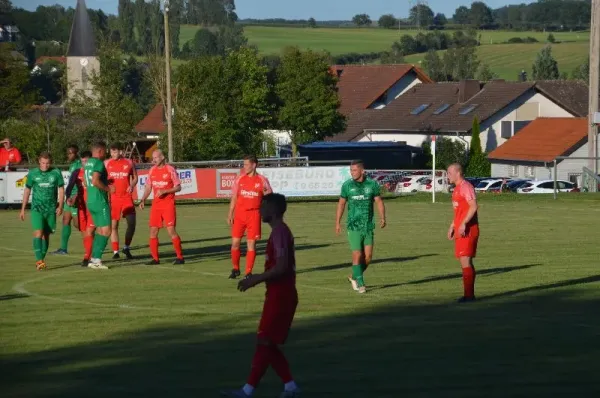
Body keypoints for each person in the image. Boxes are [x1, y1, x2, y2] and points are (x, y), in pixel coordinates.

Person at [221, 193, 301, 398]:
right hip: (277, 293)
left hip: (282, 295)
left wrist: (255, 279)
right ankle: (289, 386)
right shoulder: (278, 232)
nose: (260, 210)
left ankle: (248, 390)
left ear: (273, 210)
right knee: (267, 342)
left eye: (263, 207)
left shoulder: (280, 233)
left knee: (264, 340)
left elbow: (282, 267)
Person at [336, 160, 386, 294]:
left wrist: (382, 217)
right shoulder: (347, 186)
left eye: (354, 170)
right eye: (351, 170)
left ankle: (353, 276)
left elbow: (379, 201)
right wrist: (337, 222)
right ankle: (361, 282)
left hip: (368, 226)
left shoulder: (372, 184)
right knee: (357, 254)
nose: (352, 173)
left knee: (368, 257)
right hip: (353, 226)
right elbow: (341, 204)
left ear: (362, 171)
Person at [227, 155, 272, 279]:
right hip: (240, 214)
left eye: (246, 164)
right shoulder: (240, 179)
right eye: (244, 164)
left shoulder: (262, 180)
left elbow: (269, 198)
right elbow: (234, 197)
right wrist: (230, 213)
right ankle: (235, 268)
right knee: (235, 243)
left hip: (254, 215)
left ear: (254, 165)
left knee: (251, 244)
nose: (244, 167)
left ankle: (248, 272)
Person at [19, 152, 64, 270]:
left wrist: (60, 205)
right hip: (37, 208)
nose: (45, 165)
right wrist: (23, 209)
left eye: (47, 163)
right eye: (43, 163)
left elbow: (61, 189)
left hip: (50, 210)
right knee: (38, 233)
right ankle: (39, 260)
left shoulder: (56, 173)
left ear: (51, 162)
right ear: (39, 161)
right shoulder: (33, 173)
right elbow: (27, 190)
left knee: (46, 235)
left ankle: (41, 259)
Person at [139, 149, 184, 265]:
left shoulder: (170, 170)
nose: (154, 160)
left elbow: (178, 187)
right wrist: (143, 199)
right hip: (156, 206)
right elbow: (148, 186)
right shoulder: (152, 170)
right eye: (153, 158)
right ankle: (155, 259)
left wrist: (165, 191)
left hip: (168, 205)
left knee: (171, 231)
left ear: (162, 157)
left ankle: (180, 257)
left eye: (156, 158)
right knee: (153, 231)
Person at [447, 163, 479, 303]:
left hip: (468, 230)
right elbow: (459, 211)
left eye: (449, 173)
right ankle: (468, 295)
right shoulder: (456, 189)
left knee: (465, 261)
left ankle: (469, 296)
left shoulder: (466, 187)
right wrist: (452, 226)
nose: (447, 175)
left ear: (458, 173)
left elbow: (473, 206)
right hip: (461, 229)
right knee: (464, 262)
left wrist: (464, 223)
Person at [105, 143, 138, 260]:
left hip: (126, 197)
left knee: (132, 223)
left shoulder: (129, 162)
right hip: (113, 199)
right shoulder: (106, 163)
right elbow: (101, 178)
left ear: (121, 151)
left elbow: (135, 177)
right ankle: (115, 251)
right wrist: (107, 186)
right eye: (111, 152)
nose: (112, 154)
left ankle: (126, 247)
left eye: (115, 152)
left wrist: (132, 185)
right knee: (114, 225)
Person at [83, 142, 113, 270]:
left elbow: (85, 181)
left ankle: (94, 259)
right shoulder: (99, 163)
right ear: (100, 151)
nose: (106, 153)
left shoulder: (88, 163)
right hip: (99, 200)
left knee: (100, 230)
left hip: (90, 200)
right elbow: (95, 181)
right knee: (107, 231)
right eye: (105, 151)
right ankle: (96, 260)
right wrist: (108, 189)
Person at [65, 151, 94, 266]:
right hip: (82, 205)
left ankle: (87, 257)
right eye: (82, 161)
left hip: (94, 205)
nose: (84, 163)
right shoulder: (77, 172)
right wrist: (69, 198)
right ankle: (90, 253)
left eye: (86, 161)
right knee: (83, 230)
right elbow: (69, 187)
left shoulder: (96, 172)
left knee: (90, 231)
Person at [53, 145, 81, 255]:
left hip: (75, 198)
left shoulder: (79, 165)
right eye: (68, 153)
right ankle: (63, 249)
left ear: (76, 153)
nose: (68, 155)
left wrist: (76, 196)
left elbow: (80, 182)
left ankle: (94, 239)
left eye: (71, 153)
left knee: (78, 224)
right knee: (65, 220)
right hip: (69, 197)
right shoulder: (73, 165)